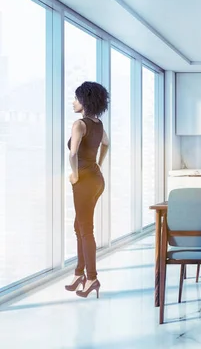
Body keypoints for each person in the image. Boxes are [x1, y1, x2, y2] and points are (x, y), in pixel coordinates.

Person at [64, 81, 110, 298]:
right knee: (79, 225)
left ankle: (91, 278)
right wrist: (98, 163)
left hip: (84, 182)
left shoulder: (79, 124)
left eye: (76, 98)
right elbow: (107, 144)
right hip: (97, 180)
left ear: (84, 101)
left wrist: (75, 174)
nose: (73, 102)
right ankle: (78, 273)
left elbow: (72, 154)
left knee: (85, 229)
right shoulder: (98, 124)